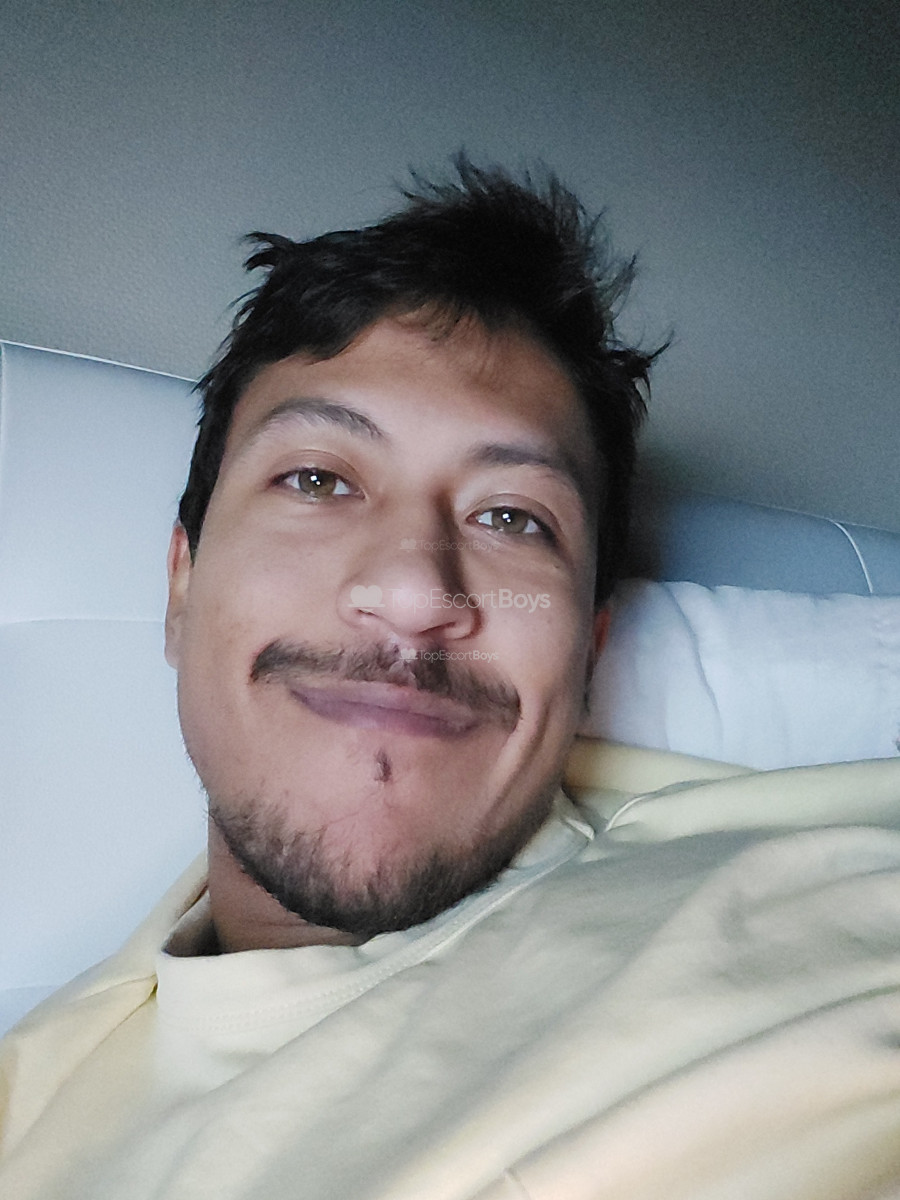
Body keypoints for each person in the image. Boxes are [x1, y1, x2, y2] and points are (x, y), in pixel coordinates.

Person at [2, 157, 900, 1200]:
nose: (413, 592)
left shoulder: (824, 914)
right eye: (318, 479)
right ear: (181, 588)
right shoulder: (27, 1109)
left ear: (590, 644)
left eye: (511, 517)